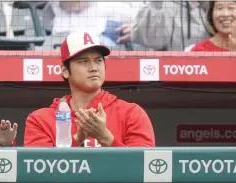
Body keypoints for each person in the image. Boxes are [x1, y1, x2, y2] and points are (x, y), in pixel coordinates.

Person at [24, 31, 155, 147]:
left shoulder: (132, 114)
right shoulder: (40, 120)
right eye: (84, 61)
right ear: (65, 70)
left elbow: (142, 169)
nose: (94, 68)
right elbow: (40, 172)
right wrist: (77, 140)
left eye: (98, 60)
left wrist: (106, 138)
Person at [118, 1, 211, 51]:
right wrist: (139, 31)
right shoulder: (164, 5)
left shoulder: (211, 7)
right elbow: (154, 39)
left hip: (207, 70)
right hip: (169, 70)